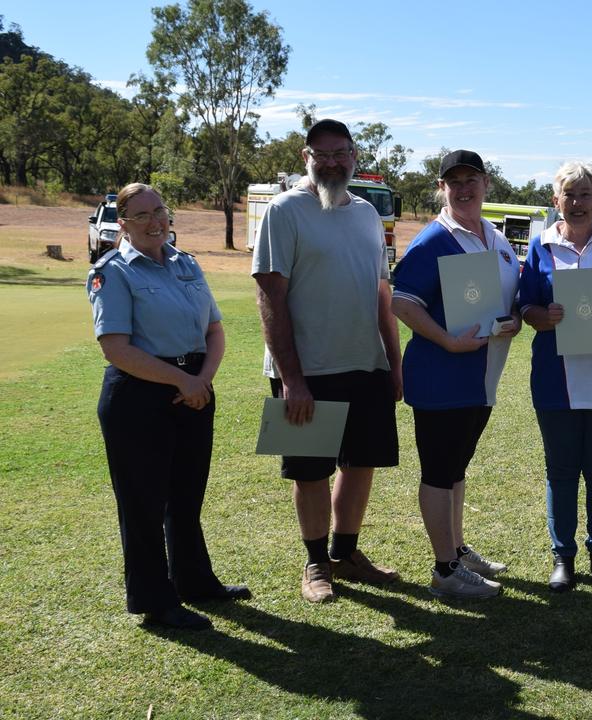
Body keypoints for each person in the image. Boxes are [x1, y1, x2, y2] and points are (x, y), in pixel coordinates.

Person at [252, 119, 403, 604]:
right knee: (310, 471)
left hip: (365, 364)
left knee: (362, 464)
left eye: (342, 153)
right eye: (323, 154)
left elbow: (382, 294)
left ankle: (345, 553)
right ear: (306, 158)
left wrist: (393, 362)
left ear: (354, 156)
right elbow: (269, 297)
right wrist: (291, 379)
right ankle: (315, 563)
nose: (333, 162)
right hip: (306, 371)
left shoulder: (365, 214)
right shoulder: (283, 210)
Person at [88, 182, 249, 630]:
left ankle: (194, 581)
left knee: (186, 495)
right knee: (142, 503)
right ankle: (154, 600)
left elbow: (214, 329)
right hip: (139, 397)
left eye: (160, 210)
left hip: (194, 389)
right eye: (142, 215)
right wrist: (184, 381)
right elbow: (116, 348)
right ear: (123, 223)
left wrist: (202, 380)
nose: (156, 221)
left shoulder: (187, 263)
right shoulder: (113, 271)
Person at [391, 149, 521, 599]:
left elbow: (508, 302)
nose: (464, 189)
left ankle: (457, 550)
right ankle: (445, 571)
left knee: (456, 470)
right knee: (439, 471)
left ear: (487, 184)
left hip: (480, 379)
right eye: (454, 182)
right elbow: (402, 301)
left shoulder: (496, 239)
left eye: (472, 180)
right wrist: (446, 340)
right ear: (442, 188)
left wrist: (514, 319)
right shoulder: (434, 240)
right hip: (441, 377)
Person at [518, 161, 592, 592]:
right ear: (556, 201)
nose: (577, 202)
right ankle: (563, 558)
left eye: (586, 194)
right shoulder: (541, 246)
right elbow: (525, 304)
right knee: (562, 471)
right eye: (569, 194)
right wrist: (541, 316)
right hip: (556, 380)